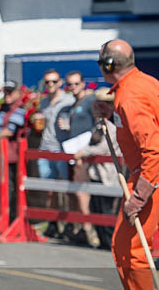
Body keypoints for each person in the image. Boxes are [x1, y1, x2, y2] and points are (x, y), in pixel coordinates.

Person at [97, 39, 159, 290]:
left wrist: (139, 196)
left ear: (109, 66)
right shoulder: (144, 83)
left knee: (127, 246)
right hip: (148, 174)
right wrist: (110, 116)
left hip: (150, 176)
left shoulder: (130, 96)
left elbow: (153, 150)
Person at [73, 87, 120, 248]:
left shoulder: (112, 125)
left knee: (106, 209)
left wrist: (84, 152)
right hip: (96, 172)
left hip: (108, 173)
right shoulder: (99, 124)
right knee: (96, 207)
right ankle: (102, 240)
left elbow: (104, 147)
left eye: (104, 103)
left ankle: (110, 241)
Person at [58, 71, 97, 244]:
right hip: (73, 152)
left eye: (76, 84)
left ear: (83, 84)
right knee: (73, 190)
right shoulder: (74, 104)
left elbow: (97, 125)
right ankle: (80, 227)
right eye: (70, 84)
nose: (73, 87)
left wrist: (87, 150)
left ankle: (89, 229)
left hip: (83, 154)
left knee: (81, 190)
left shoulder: (90, 100)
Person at [34, 69, 74, 238]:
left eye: (54, 81)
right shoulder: (44, 102)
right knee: (49, 189)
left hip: (61, 148)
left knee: (66, 189)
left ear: (60, 83)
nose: (50, 84)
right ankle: (52, 223)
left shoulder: (68, 100)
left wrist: (70, 126)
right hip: (45, 148)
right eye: (47, 82)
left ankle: (70, 224)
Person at [0, 80, 28, 217]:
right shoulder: (2, 109)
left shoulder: (20, 110)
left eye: (10, 92)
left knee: (11, 185)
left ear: (17, 93)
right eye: (5, 92)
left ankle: (11, 216)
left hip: (12, 155)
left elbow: (10, 131)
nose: (7, 95)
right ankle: (0, 214)